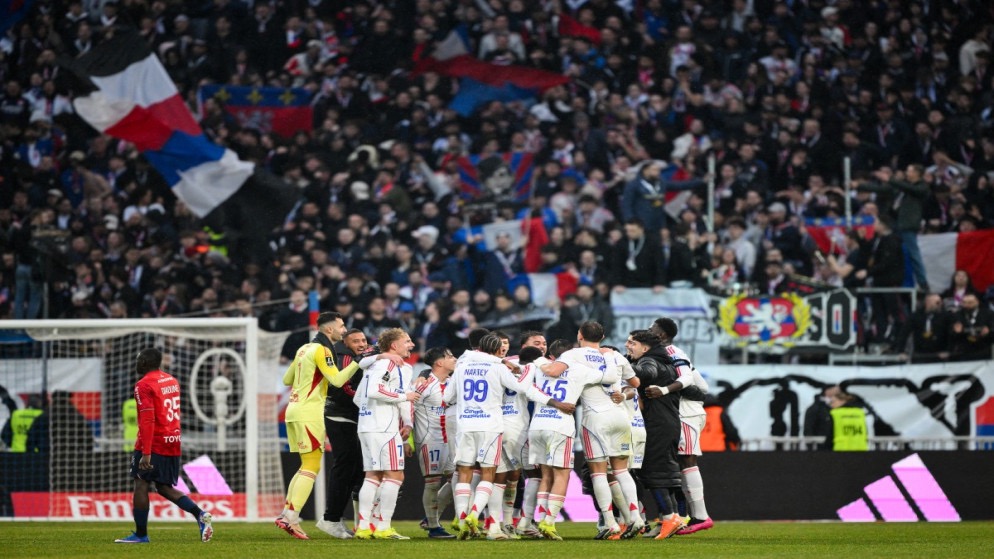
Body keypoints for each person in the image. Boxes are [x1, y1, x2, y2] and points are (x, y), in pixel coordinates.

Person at [276, 312, 392, 540]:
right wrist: (358, 362)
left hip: (293, 409)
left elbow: (287, 380)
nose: (343, 329)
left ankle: (287, 513)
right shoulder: (323, 350)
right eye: (341, 326)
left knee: (305, 465)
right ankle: (290, 517)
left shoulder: (304, 348)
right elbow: (338, 380)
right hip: (310, 412)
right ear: (329, 329)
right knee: (311, 466)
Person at [445, 333, 570, 540]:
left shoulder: (465, 365)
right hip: (506, 426)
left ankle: (468, 518)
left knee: (472, 472)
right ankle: (503, 522)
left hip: (469, 425)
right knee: (507, 477)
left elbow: (447, 396)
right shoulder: (510, 367)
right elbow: (524, 388)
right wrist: (531, 371)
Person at [542, 321, 643, 539]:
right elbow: (635, 382)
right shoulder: (615, 355)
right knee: (621, 471)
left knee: (598, 473)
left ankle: (610, 522)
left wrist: (536, 364)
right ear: (602, 337)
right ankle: (635, 517)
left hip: (595, 418)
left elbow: (553, 371)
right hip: (620, 416)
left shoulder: (572, 355)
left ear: (579, 335)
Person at [114, 348, 214, 544]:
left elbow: (148, 420)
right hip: (172, 440)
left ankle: (141, 535)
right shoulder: (171, 380)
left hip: (154, 442)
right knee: (163, 487)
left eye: (138, 359)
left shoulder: (143, 385)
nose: (136, 362)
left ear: (144, 362)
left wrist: (146, 452)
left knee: (141, 483)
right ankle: (200, 515)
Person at [528, 339, 620, 540]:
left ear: (552, 355)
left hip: (537, 426)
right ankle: (548, 522)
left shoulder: (540, 367)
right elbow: (610, 377)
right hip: (560, 427)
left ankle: (539, 519)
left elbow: (525, 385)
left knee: (545, 476)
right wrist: (608, 356)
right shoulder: (579, 369)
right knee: (562, 476)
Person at [352, 328, 420, 540]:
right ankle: (383, 527)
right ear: (394, 345)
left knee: (373, 475)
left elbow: (358, 397)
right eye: (407, 341)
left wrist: (407, 422)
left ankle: (364, 526)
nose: (412, 345)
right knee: (395, 475)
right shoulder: (389, 364)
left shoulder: (375, 364)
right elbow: (374, 391)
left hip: (367, 425)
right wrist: (403, 396)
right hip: (383, 427)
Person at [649, 318, 713, 535]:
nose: (649, 331)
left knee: (687, 460)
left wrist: (666, 390)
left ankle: (701, 516)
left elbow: (694, 384)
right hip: (679, 412)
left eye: (652, 329)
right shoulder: (660, 354)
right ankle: (682, 515)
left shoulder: (673, 352)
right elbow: (702, 386)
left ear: (662, 335)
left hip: (687, 412)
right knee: (676, 464)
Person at [625, 329, 684, 540]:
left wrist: (620, 364)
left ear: (645, 348)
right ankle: (669, 519)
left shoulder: (650, 361)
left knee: (654, 472)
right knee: (664, 474)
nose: (627, 346)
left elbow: (647, 372)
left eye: (632, 343)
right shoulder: (665, 362)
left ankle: (669, 518)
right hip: (666, 423)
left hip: (658, 424)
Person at [317, 328, 370, 539]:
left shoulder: (356, 356)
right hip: (340, 417)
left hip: (347, 417)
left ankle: (340, 519)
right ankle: (330, 519)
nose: (362, 344)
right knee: (344, 467)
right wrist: (366, 401)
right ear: (345, 343)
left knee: (355, 470)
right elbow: (344, 387)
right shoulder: (345, 358)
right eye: (356, 341)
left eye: (363, 340)